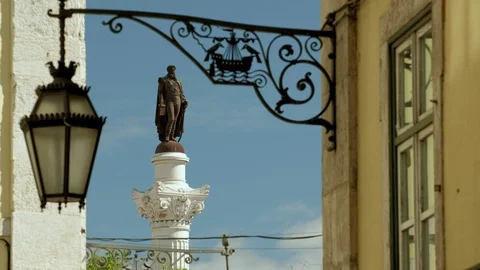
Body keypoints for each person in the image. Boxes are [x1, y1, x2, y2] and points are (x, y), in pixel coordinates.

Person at [155, 65, 188, 142]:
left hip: (178, 99)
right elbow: (161, 93)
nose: (173, 72)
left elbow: (181, 93)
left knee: (176, 119)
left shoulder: (178, 81)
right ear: (168, 71)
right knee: (171, 118)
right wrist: (162, 102)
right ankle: (167, 135)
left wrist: (184, 100)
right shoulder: (164, 80)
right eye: (171, 70)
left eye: (173, 70)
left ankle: (172, 136)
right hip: (169, 99)